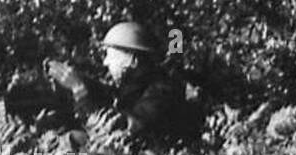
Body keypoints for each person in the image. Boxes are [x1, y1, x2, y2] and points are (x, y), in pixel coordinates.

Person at [46, 22, 199, 146]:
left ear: (132, 61)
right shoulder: (137, 85)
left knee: (73, 141)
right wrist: (79, 80)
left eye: (110, 56)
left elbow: (123, 131)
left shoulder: (163, 91)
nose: (105, 62)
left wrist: (79, 91)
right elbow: (107, 95)